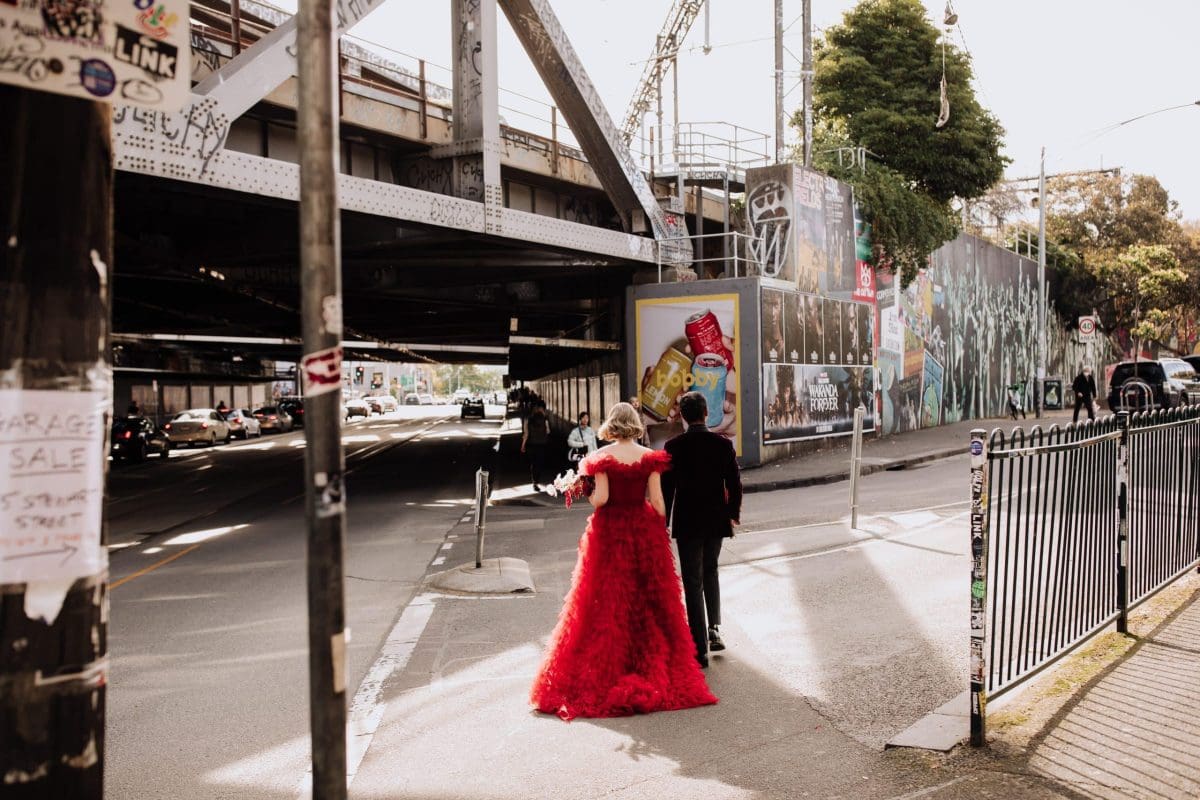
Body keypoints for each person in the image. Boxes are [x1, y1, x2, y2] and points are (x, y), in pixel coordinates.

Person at [530, 403, 717, 719]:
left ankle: (613, 661)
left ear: (611, 425)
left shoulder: (601, 457)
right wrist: (658, 531)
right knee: (647, 600)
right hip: (643, 530)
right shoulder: (648, 457)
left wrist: (586, 490)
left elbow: (600, 500)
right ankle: (644, 658)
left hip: (610, 532)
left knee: (607, 600)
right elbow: (657, 501)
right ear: (635, 425)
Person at [661, 391, 743, 668]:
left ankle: (699, 650)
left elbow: (667, 489)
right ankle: (714, 629)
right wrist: (732, 513)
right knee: (711, 570)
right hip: (716, 520)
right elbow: (734, 483)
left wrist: (664, 523)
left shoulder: (673, 447)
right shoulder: (722, 445)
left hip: (688, 523)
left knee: (692, 581)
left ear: (682, 416)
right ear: (706, 413)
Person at [521, 402, 550, 490]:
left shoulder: (528, 420)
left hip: (531, 444)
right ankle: (537, 480)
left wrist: (523, 445)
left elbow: (526, 434)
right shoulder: (545, 420)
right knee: (540, 463)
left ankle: (535, 482)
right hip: (542, 444)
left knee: (533, 463)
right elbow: (548, 431)